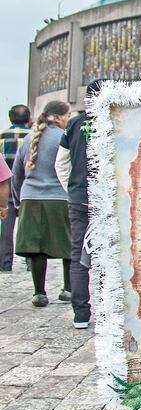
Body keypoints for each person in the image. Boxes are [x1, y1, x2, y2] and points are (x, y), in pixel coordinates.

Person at [11, 100, 72, 306]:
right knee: (68, 245)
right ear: (57, 117)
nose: (68, 119)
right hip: (60, 198)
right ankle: (68, 289)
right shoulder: (64, 138)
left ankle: (39, 292)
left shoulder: (28, 139)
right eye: (67, 115)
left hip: (31, 198)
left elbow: (17, 174)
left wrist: (18, 201)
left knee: (36, 247)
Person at [55, 80, 105, 329]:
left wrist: (73, 189)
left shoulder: (74, 123)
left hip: (79, 197)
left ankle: (81, 314)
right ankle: (108, 311)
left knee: (78, 255)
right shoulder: (114, 121)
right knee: (110, 253)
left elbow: (61, 163)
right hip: (107, 199)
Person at [1, 104, 31, 272]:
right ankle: (30, 263)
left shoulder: (1, 136)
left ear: (10, 118)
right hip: (28, 189)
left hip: (7, 190)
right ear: (28, 118)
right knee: (29, 228)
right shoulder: (34, 137)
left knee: (6, 230)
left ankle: (5, 264)